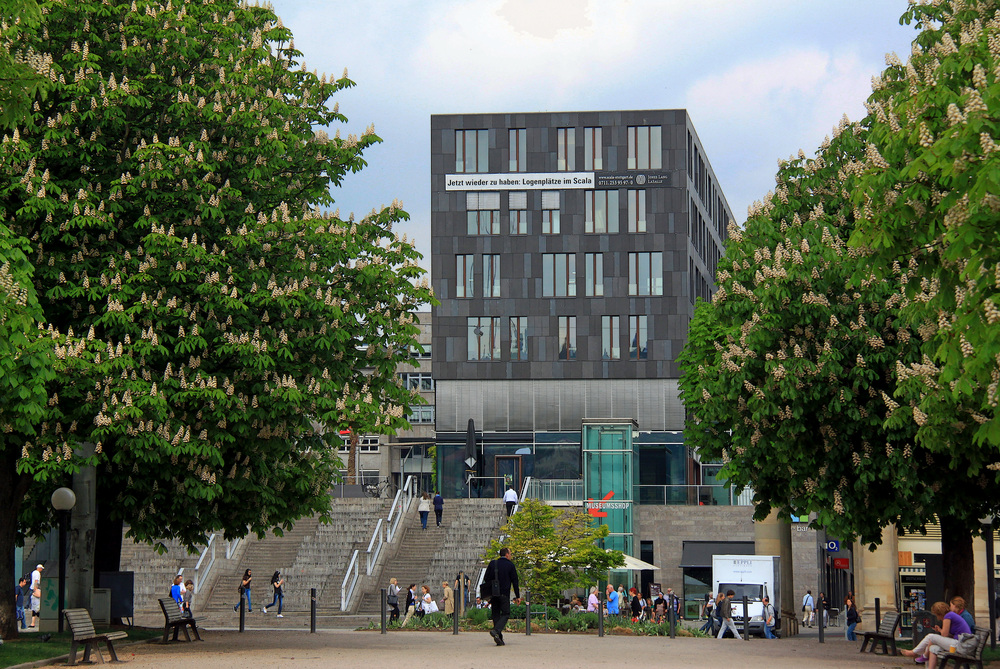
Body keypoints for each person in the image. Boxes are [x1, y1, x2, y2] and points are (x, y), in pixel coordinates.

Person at [901, 600, 971, 667]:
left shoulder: (948, 616)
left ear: (939, 613)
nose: (938, 618)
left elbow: (945, 635)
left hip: (961, 645)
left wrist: (941, 631)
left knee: (931, 637)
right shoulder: (951, 615)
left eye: (936, 615)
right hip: (961, 644)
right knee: (932, 648)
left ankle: (915, 653)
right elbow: (950, 635)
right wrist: (940, 630)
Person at [483, 547, 520, 646]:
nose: (511, 555)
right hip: (504, 594)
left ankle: (499, 638)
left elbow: (486, 578)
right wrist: (517, 596)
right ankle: (496, 631)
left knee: (495, 615)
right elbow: (515, 582)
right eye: (510, 553)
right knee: (506, 613)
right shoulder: (510, 565)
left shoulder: (493, 563)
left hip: (494, 594)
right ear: (507, 554)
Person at [29, 564, 43, 629]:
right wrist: (35, 589)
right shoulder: (37, 573)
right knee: (36, 609)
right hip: (35, 589)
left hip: (32, 588)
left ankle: (33, 623)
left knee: (34, 608)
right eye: (41, 568)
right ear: (39, 568)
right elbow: (36, 581)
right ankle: (34, 622)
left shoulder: (33, 572)